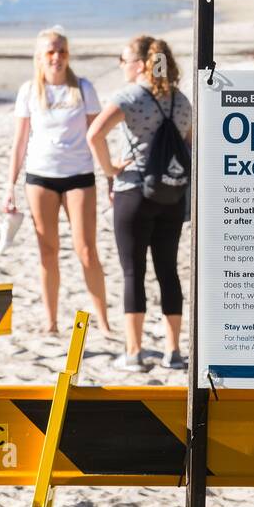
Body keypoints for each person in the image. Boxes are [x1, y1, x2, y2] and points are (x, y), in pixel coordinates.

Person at [87, 36, 191, 372]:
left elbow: (94, 135)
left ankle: (134, 352)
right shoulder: (182, 100)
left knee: (134, 271)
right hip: (172, 194)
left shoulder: (130, 96)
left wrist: (110, 169)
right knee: (168, 270)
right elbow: (189, 145)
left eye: (127, 59)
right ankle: (173, 352)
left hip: (134, 190)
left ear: (143, 62)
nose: (123, 65)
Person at [4, 27, 113, 336]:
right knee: (47, 252)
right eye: (50, 52)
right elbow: (19, 142)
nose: (57, 57)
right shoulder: (29, 91)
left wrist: (109, 177)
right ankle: (50, 322)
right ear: (39, 58)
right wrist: (8, 187)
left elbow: (97, 136)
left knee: (87, 250)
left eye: (62, 51)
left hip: (79, 177)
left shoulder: (84, 88)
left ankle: (103, 321)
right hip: (40, 178)